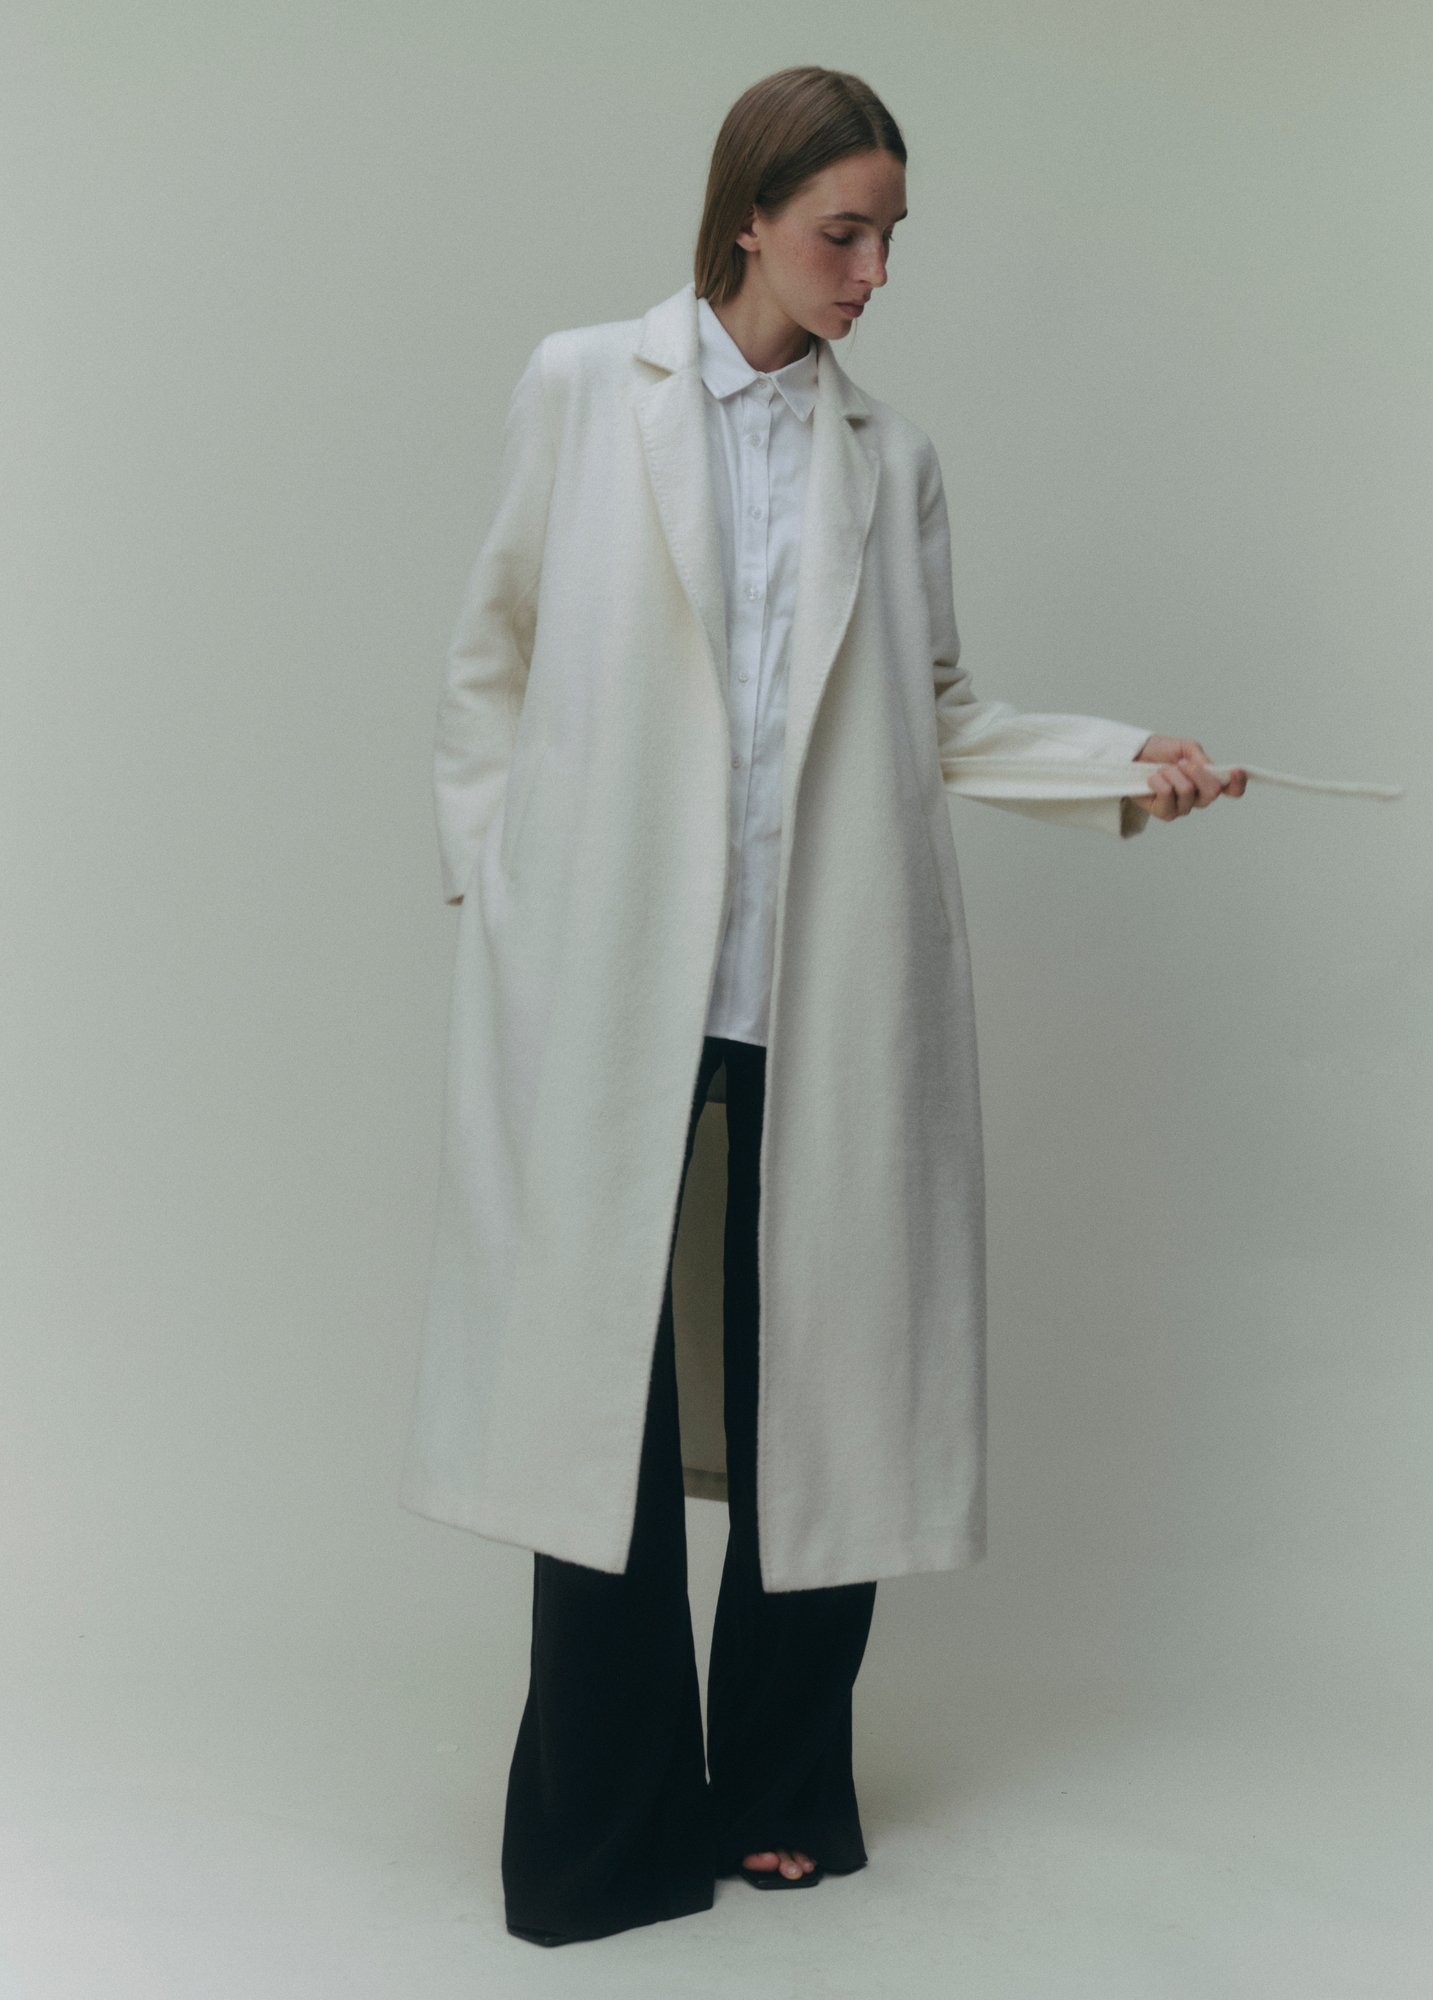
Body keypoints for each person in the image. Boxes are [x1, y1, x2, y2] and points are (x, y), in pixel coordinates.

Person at [398, 65, 1246, 1947]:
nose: (872, 273)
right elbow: (491, 658)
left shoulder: (891, 458)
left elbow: (939, 716)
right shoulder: (583, 388)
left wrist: (1130, 765)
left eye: (889, 238)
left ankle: (782, 1786)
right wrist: (505, 890)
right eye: (843, 233)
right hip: (611, 974)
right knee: (599, 1410)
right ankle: (606, 1829)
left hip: (825, 978)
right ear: (750, 220)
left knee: (823, 1386)